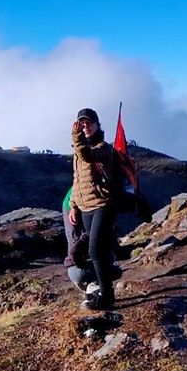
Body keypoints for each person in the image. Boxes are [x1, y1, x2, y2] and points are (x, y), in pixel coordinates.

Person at [69, 108, 118, 310]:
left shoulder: (104, 148)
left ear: (97, 125)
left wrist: (76, 136)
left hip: (103, 205)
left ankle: (107, 296)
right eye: (82, 123)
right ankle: (102, 288)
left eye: (89, 123)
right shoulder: (78, 152)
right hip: (86, 207)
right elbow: (77, 180)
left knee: (95, 249)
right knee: (101, 250)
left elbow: (88, 156)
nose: (85, 127)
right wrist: (73, 206)